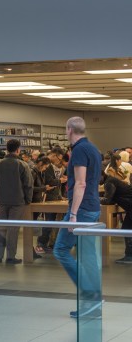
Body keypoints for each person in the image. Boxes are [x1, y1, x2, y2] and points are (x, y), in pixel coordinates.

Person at [52, 117, 102, 318]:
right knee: (88, 255)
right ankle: (93, 303)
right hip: (91, 206)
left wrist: (73, 215)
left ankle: (89, 293)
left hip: (81, 210)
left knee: (61, 249)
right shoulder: (93, 148)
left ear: (69, 130)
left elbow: (80, 183)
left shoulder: (80, 150)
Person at [0, 139, 33, 265]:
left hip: (1, 200)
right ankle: (11, 257)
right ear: (18, 150)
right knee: (13, 229)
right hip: (17, 201)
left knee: (1, 228)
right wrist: (28, 200)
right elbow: (28, 184)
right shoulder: (22, 165)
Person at [101, 176, 132, 264]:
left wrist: (95, 199)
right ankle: (129, 255)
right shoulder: (112, 181)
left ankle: (129, 256)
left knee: (127, 228)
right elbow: (111, 200)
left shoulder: (109, 182)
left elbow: (107, 200)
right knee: (127, 228)